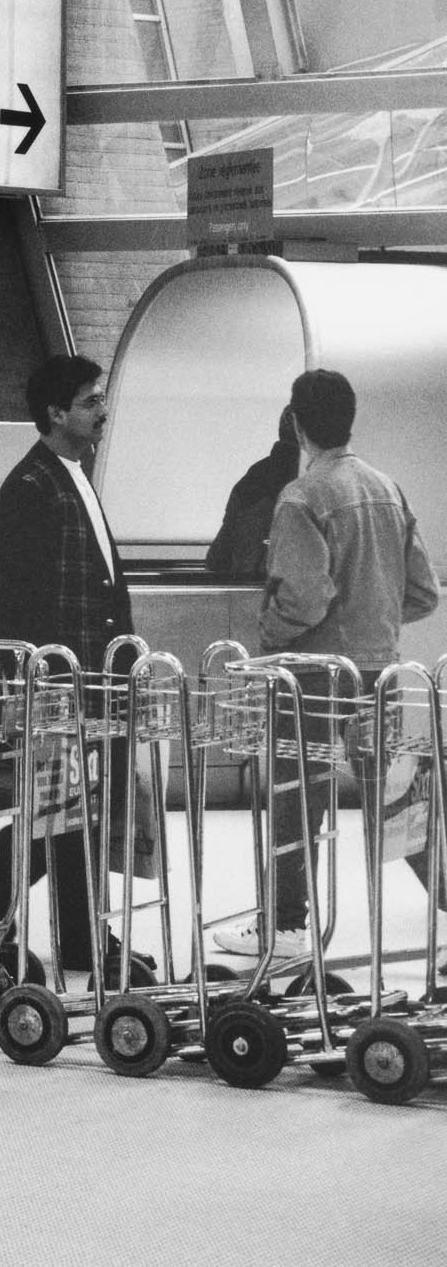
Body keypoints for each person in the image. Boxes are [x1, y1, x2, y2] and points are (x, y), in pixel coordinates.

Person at [214, 367, 442, 959]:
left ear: (295, 422)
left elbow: (306, 597)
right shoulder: (385, 487)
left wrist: (270, 635)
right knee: (396, 797)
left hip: (314, 674)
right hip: (380, 671)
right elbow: (423, 592)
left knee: (296, 796)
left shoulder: (302, 496)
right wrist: (377, 616)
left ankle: (288, 924)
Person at [0, 354, 135, 975]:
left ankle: (76, 931)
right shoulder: (30, 486)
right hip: (62, 679)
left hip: (96, 672)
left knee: (81, 808)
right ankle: (78, 929)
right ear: (56, 412)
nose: (101, 409)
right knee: (71, 806)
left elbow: (100, 579)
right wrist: (37, 684)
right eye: (91, 400)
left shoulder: (75, 474)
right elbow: (25, 596)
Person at [205, 408, 300, 581]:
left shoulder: (253, 477)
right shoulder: (312, 482)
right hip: (283, 593)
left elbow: (217, 558)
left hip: (244, 586)